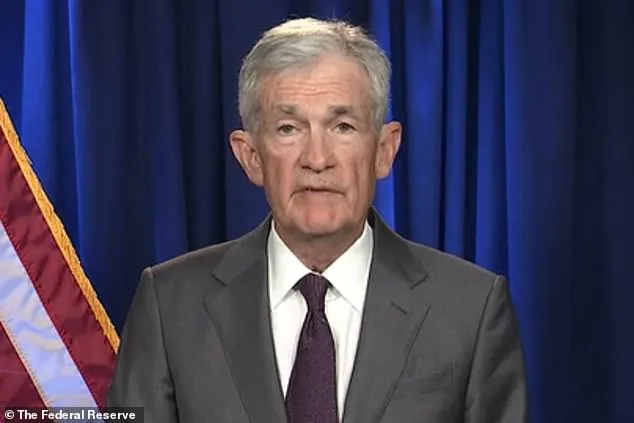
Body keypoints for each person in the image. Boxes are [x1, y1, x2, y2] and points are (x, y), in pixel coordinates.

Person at [107, 17, 528, 423]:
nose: (317, 159)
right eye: (288, 129)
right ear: (251, 157)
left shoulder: (471, 309)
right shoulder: (169, 306)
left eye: (342, 126)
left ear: (384, 150)